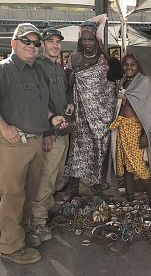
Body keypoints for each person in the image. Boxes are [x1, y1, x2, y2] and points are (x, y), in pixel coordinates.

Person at [0, 23, 67, 264]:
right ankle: (9, 246)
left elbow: (41, 105)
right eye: (26, 41)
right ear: (13, 43)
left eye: (35, 42)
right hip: (13, 144)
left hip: (35, 140)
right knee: (13, 196)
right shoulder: (4, 70)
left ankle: (24, 234)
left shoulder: (36, 70)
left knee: (28, 193)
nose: (32, 46)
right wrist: (5, 128)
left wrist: (52, 118)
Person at [30, 28, 74, 242]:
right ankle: (37, 222)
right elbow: (38, 101)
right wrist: (47, 131)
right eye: (51, 41)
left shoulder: (58, 66)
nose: (55, 45)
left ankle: (46, 208)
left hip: (63, 130)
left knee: (56, 175)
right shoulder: (38, 67)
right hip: (50, 132)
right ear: (43, 44)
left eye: (58, 42)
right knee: (46, 177)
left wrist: (69, 104)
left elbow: (63, 93)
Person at [65, 16, 115, 196]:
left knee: (99, 147)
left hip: (102, 113)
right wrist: (70, 102)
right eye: (83, 39)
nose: (87, 43)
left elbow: (111, 82)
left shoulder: (104, 59)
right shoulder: (74, 59)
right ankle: (73, 186)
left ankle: (96, 183)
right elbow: (69, 84)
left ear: (97, 40)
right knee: (77, 147)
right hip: (81, 112)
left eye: (91, 39)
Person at [109, 54, 151, 211]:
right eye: (126, 65)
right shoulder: (123, 82)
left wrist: (144, 134)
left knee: (138, 165)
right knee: (124, 165)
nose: (129, 67)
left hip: (135, 128)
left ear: (138, 66)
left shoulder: (144, 82)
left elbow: (148, 111)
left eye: (132, 65)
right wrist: (120, 90)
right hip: (121, 127)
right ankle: (130, 198)